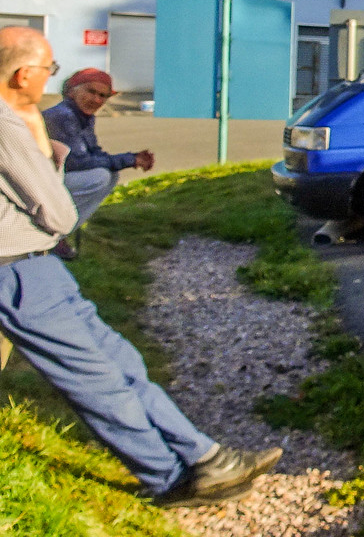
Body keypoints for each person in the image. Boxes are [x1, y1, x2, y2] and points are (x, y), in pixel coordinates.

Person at [0, 26, 281, 508]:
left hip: (37, 265)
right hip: (18, 272)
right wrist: (43, 145)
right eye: (49, 69)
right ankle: (167, 478)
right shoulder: (8, 125)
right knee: (96, 378)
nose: (51, 78)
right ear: (24, 74)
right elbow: (61, 214)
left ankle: (207, 457)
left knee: (121, 362)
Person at [42, 68, 153, 258]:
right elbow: (77, 162)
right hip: (41, 181)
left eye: (103, 96)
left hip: (53, 178)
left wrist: (129, 159)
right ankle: (50, 232)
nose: (96, 100)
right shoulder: (63, 115)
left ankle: (56, 233)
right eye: (91, 92)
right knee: (99, 177)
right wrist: (129, 159)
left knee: (109, 175)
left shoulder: (82, 116)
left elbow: (93, 152)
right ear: (72, 91)